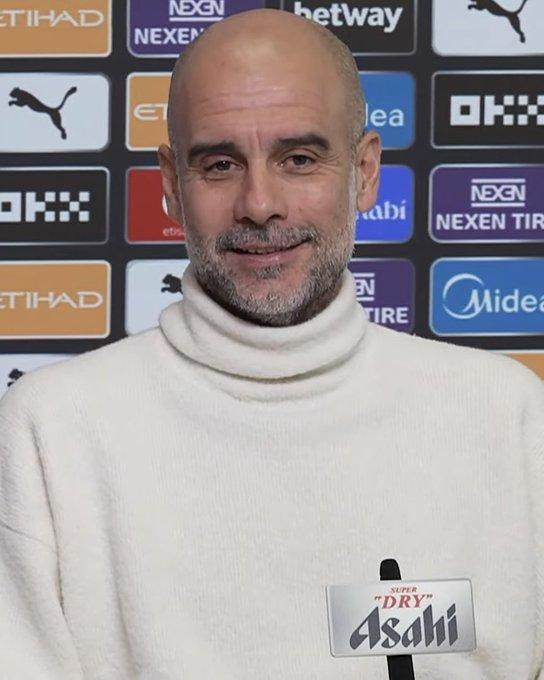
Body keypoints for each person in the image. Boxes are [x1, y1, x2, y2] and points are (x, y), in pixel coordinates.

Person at [0, 8, 542, 680]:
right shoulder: (51, 432)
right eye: (220, 164)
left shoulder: (507, 416)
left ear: (365, 172)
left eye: (299, 159)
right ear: (171, 186)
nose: (260, 204)